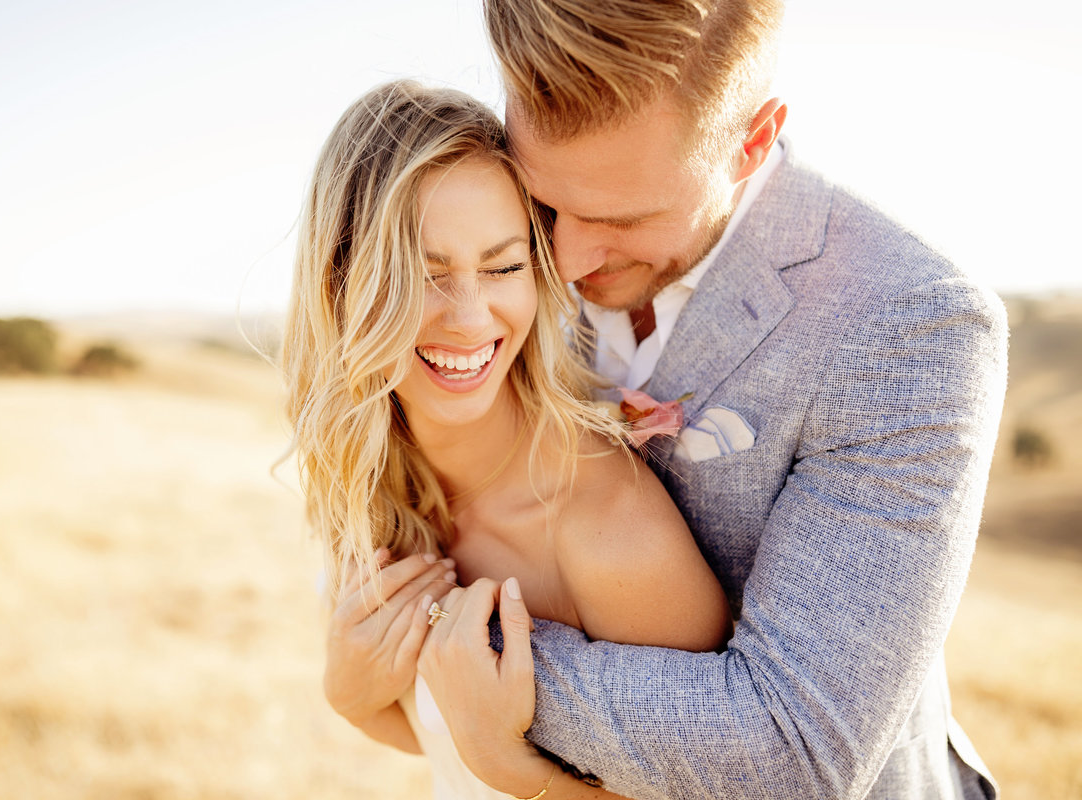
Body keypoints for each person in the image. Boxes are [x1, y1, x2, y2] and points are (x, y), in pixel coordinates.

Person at [416, 1, 1009, 799]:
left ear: (750, 142)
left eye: (620, 218)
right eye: (545, 202)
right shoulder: (502, 253)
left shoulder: (908, 320)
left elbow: (793, 754)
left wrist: (446, 641)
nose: (560, 257)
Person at [279, 79, 731, 800]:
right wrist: (352, 697)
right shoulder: (370, 488)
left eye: (502, 267)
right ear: (341, 285)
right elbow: (434, 731)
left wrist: (514, 769)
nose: (468, 317)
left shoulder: (612, 532)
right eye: (421, 275)